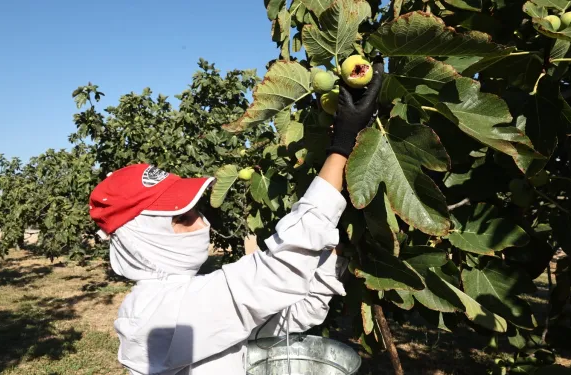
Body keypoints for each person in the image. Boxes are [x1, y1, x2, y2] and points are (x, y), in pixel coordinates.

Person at [88, 61, 384, 375]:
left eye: (196, 211)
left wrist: (331, 257)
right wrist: (341, 147)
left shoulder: (187, 297)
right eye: (183, 218)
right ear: (143, 237)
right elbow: (275, 277)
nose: (202, 223)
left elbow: (291, 316)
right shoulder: (154, 318)